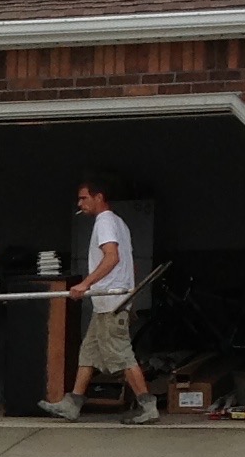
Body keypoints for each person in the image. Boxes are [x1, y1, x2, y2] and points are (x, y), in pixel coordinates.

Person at [40, 176, 159, 425]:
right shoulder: (119, 223)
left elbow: (112, 257)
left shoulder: (105, 221)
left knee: (122, 354)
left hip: (111, 301)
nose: (80, 203)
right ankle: (73, 403)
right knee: (88, 353)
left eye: (84, 197)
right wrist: (129, 296)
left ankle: (148, 406)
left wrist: (86, 283)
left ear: (99, 197)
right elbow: (129, 264)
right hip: (109, 302)